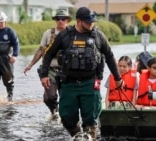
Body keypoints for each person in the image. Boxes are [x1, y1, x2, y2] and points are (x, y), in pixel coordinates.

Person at [39, 7, 123, 141]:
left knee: (90, 121)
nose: (92, 24)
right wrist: (44, 75)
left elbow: (110, 56)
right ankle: (78, 135)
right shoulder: (64, 35)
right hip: (68, 83)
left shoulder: (98, 36)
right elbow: (48, 54)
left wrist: (118, 78)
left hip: (90, 83)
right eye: (89, 22)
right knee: (66, 118)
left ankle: (90, 136)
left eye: (93, 22)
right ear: (79, 21)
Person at [23, 9, 71, 121]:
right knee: (49, 97)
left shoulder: (72, 33)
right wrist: (30, 65)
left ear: (67, 20)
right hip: (50, 69)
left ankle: (65, 116)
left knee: (67, 97)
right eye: (58, 19)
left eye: (63, 18)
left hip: (67, 70)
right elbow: (40, 50)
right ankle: (55, 111)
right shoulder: (48, 33)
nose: (60, 21)